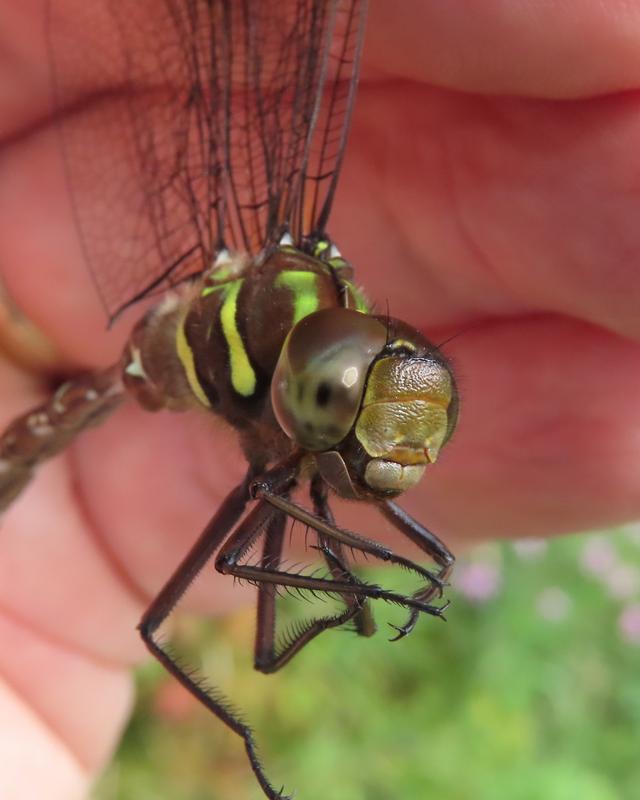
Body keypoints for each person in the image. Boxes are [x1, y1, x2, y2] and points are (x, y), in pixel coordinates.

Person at [1, 2, 639, 798]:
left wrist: (356, 590)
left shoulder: (313, 379)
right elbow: (167, 631)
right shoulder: (287, 425)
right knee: (201, 619)